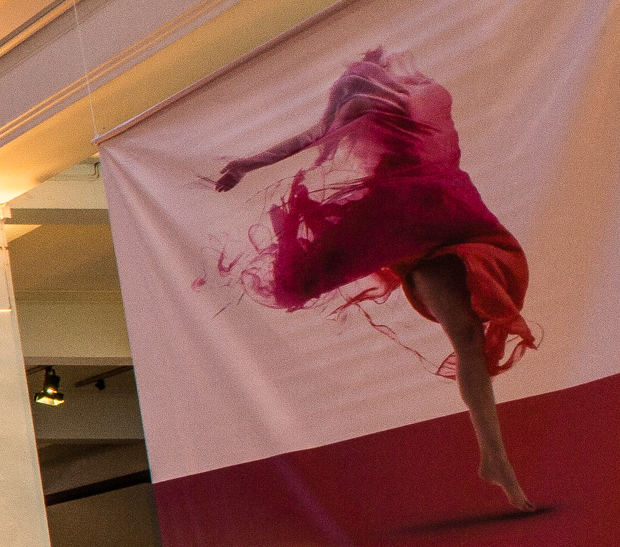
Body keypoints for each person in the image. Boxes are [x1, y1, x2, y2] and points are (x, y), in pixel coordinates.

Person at [213, 48, 532, 510]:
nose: (377, 63)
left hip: (449, 205)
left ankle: (493, 456)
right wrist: (247, 163)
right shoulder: (366, 102)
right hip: (407, 214)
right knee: (465, 339)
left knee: (468, 338)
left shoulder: (420, 91)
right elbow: (314, 135)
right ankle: (496, 457)